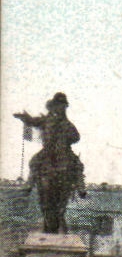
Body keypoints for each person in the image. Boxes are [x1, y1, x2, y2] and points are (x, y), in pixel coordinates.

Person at [13, 92, 85, 234]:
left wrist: (66, 136)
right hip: (47, 151)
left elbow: (76, 137)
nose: (60, 109)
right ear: (53, 106)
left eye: (62, 106)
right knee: (34, 161)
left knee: (77, 164)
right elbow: (32, 121)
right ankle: (29, 183)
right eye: (58, 106)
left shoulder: (67, 124)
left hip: (64, 151)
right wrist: (24, 117)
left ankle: (80, 185)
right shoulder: (46, 120)